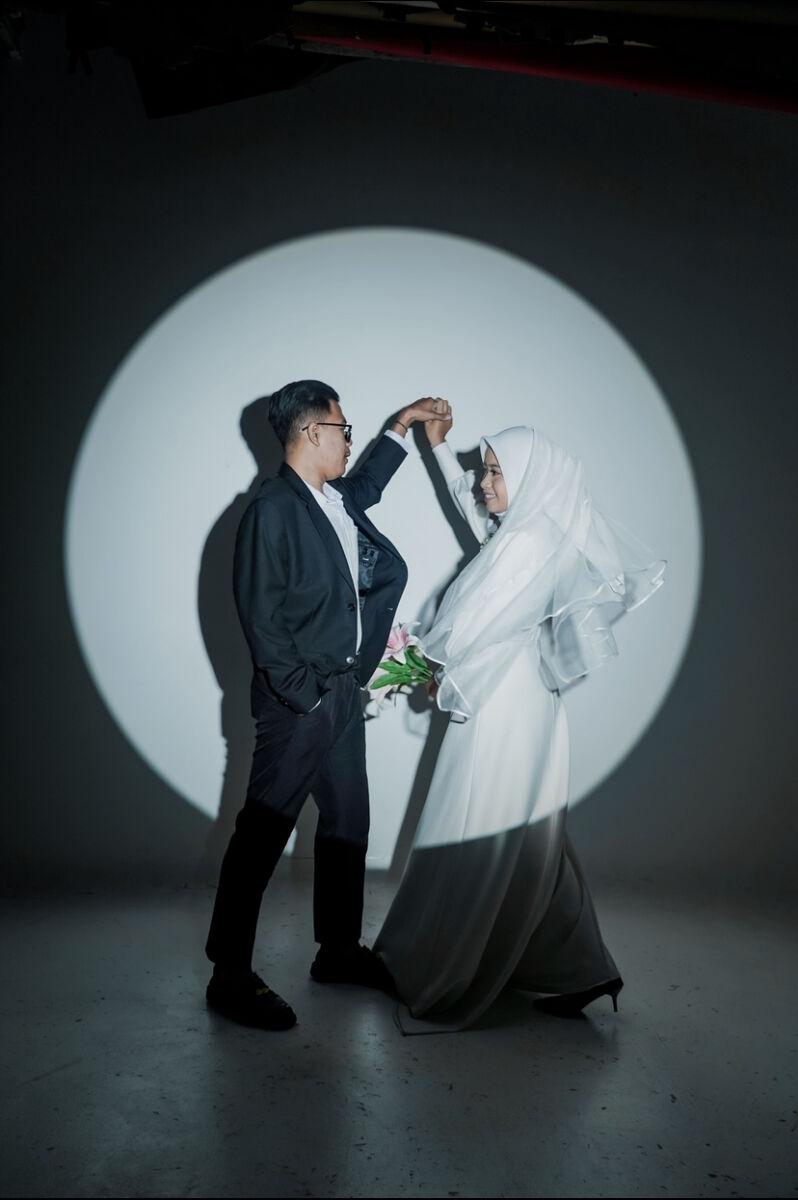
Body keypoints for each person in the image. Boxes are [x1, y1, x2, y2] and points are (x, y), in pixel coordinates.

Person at [374, 417, 665, 1031]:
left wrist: (416, 673)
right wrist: (436, 446)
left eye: (495, 471)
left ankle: (444, 972)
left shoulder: (526, 544)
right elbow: (473, 506)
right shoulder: (530, 532)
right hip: (524, 703)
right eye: (485, 469)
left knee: (477, 831)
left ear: (531, 480)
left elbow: (470, 625)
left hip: (501, 706)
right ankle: (585, 968)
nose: (483, 481)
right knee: (529, 844)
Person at [205, 380, 451, 1030]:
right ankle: (228, 974)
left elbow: (368, 482)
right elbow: (261, 619)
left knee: (348, 820)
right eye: (344, 429)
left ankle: (337, 952)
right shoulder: (270, 511)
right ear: (313, 432)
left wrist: (401, 425)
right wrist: (306, 695)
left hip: (343, 691)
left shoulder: (334, 498)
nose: (347, 439)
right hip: (301, 702)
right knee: (263, 832)